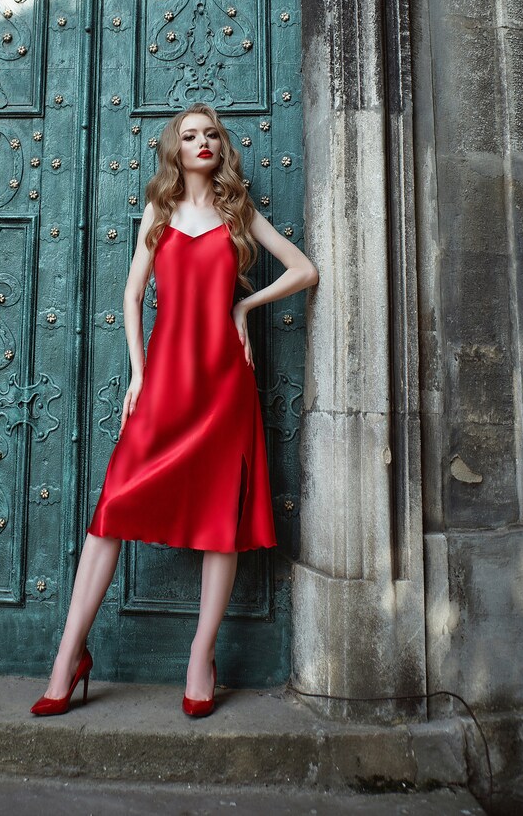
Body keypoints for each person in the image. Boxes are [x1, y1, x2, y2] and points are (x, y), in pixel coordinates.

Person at [30, 103, 319, 717]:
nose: (202, 142)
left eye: (211, 133)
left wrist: (244, 308)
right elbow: (133, 294)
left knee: (221, 520)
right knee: (112, 510)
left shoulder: (239, 212)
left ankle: (200, 657)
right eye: (190, 135)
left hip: (223, 386)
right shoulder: (157, 214)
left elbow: (304, 269)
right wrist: (139, 370)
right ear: (176, 149)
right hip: (163, 383)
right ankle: (69, 655)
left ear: (221, 146)